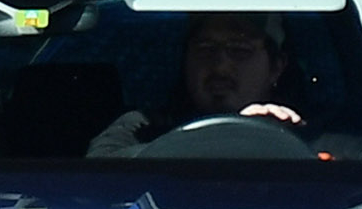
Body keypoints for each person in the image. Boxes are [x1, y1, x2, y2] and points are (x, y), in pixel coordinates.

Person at [85, 11, 309, 158]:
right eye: (205, 49)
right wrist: (231, 136)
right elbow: (100, 172)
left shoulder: (315, 131)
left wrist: (280, 136)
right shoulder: (143, 127)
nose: (220, 66)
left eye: (240, 50)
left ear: (276, 66)